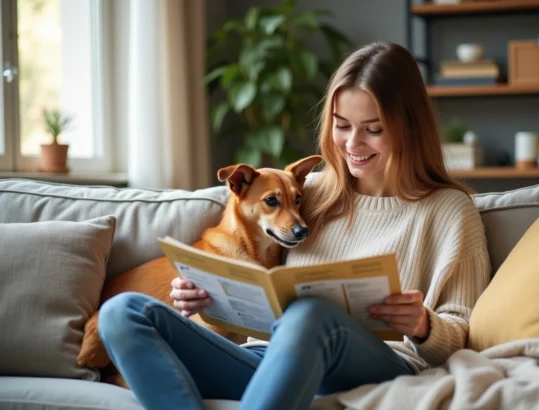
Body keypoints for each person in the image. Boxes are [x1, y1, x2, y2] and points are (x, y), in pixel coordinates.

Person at [98, 42, 491, 410]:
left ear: (408, 126)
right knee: (122, 313)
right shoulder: (307, 195)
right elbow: (268, 296)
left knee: (310, 315)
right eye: (341, 125)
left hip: (383, 365)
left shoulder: (449, 210)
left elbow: (463, 336)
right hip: (269, 359)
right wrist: (210, 299)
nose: (353, 143)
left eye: (373, 129)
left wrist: (423, 324)